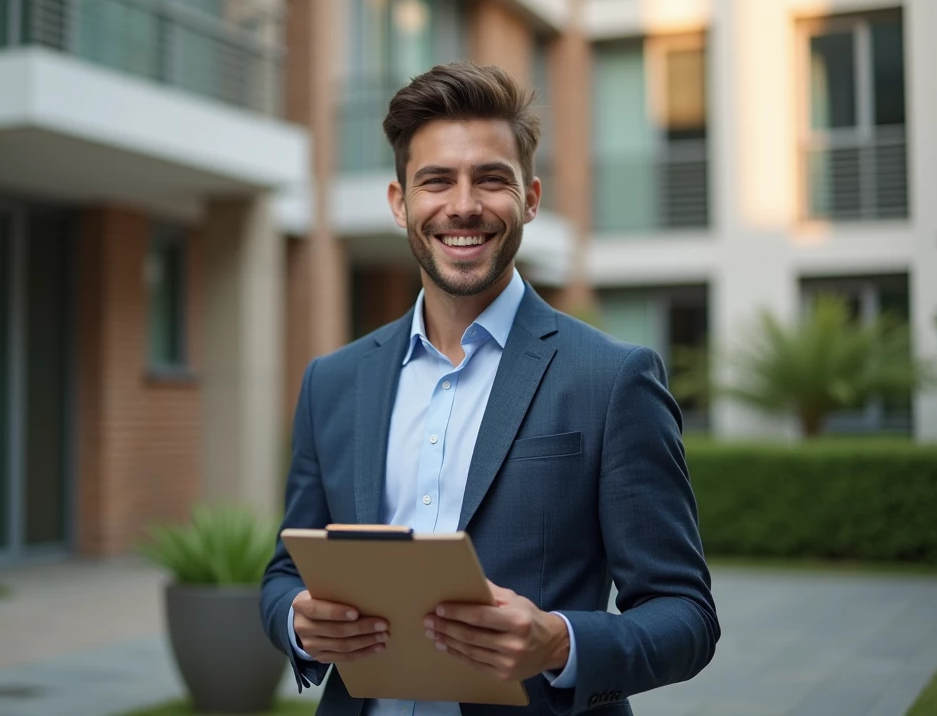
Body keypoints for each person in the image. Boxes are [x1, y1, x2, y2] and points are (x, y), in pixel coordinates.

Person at [259, 62, 718, 715]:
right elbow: (284, 575)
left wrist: (561, 642)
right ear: (400, 203)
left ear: (530, 199)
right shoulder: (332, 382)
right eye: (436, 181)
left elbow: (687, 616)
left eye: (491, 179)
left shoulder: (612, 379)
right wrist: (299, 622)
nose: (464, 205)